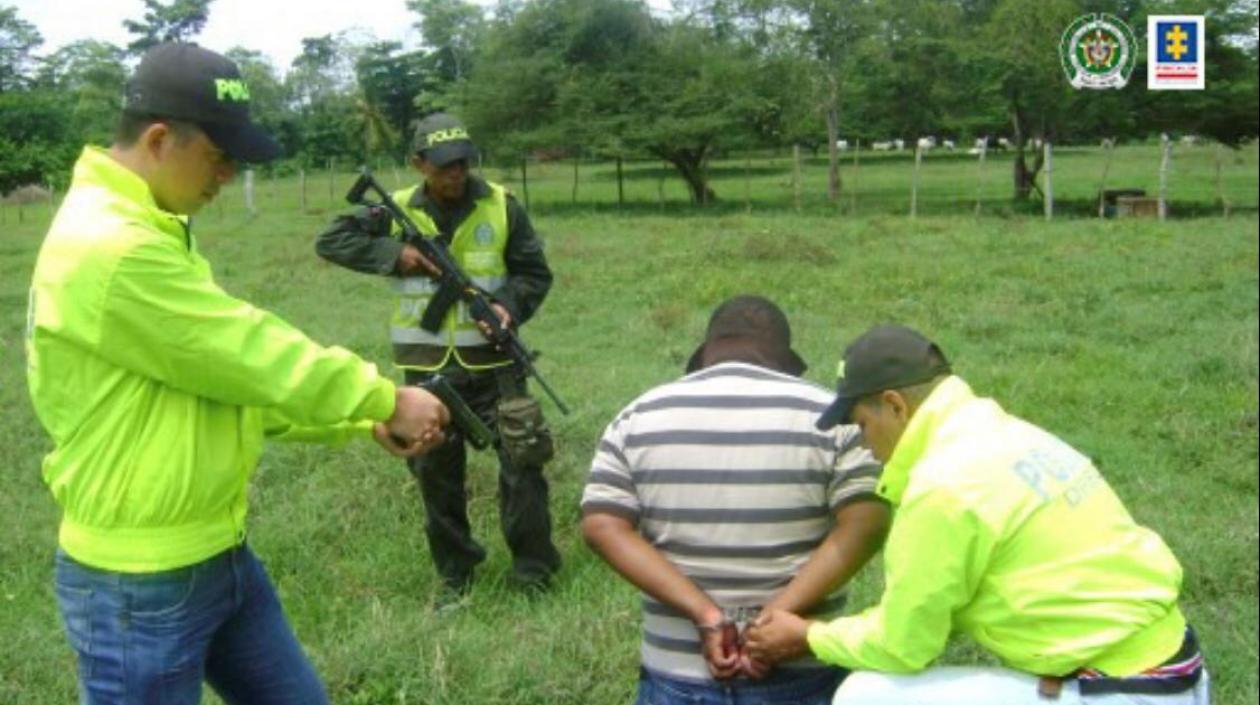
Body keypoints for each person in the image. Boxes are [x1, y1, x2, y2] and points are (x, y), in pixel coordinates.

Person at [25, 43, 450, 705]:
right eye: (220, 157)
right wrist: (383, 395)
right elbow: (250, 351)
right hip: (138, 581)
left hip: (219, 554)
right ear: (161, 139)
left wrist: (357, 418)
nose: (227, 176)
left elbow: (219, 381)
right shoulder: (111, 248)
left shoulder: (151, 227)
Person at [745, 324, 1209, 705]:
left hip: (1123, 690)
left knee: (868, 695)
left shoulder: (942, 486)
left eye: (863, 426)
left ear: (894, 405)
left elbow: (903, 646)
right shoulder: (1008, 433)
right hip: (1171, 664)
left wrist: (809, 636)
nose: (865, 445)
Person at [581, 295, 891, 705]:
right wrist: (773, 622)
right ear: (783, 358)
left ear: (707, 353)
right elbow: (866, 521)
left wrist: (705, 616)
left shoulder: (636, 416)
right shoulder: (830, 417)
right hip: (800, 670)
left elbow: (602, 526)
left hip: (675, 675)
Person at [316, 112, 561, 599]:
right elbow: (331, 240)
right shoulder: (395, 209)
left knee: (523, 465)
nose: (457, 173)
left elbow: (534, 273)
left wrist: (506, 308)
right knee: (435, 476)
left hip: (497, 367)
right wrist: (395, 255)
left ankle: (534, 571)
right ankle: (456, 575)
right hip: (428, 371)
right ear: (418, 163)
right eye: (445, 165)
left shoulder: (501, 205)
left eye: (464, 162)